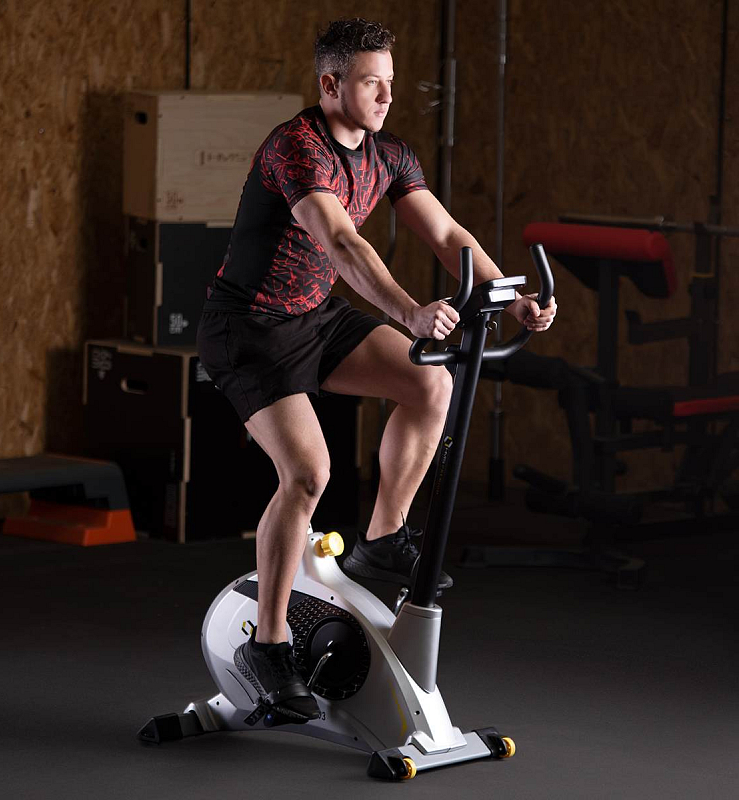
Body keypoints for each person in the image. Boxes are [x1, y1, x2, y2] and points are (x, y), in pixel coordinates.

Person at [197, 18, 557, 723]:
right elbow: (341, 242)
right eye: (372, 83)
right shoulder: (296, 148)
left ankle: (383, 539)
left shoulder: (389, 153)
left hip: (315, 318)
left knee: (430, 382)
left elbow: (448, 234)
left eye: (391, 83)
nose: (388, 96)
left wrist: (509, 297)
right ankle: (268, 645)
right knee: (308, 474)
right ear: (331, 84)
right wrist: (410, 313)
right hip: (249, 329)